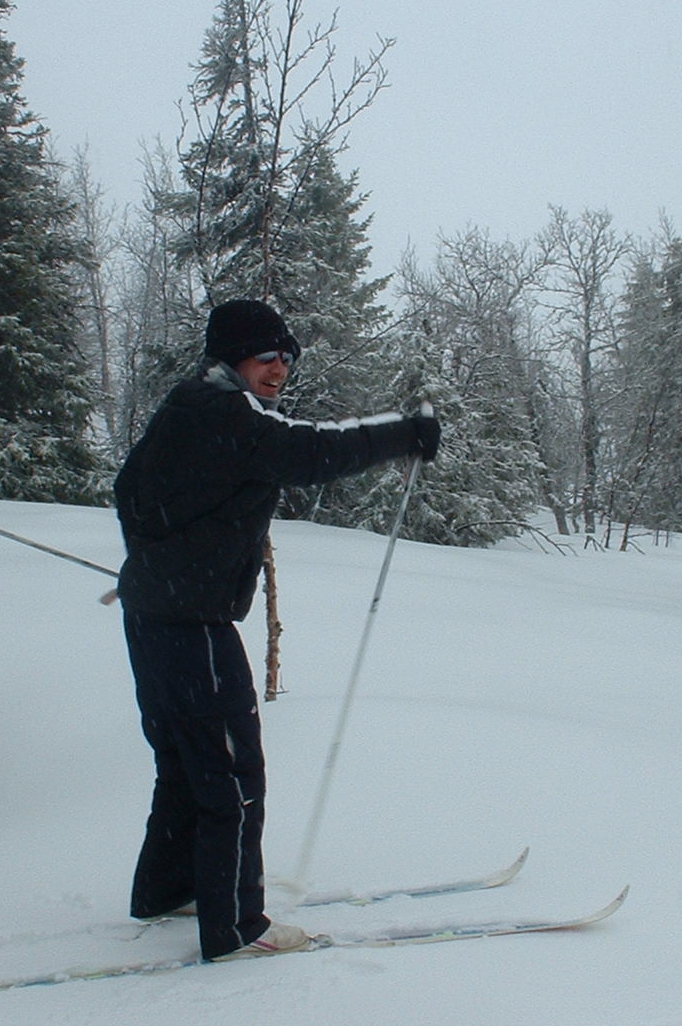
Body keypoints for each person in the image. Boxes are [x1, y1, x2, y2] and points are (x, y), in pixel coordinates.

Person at [113, 299, 441, 961]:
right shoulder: (227, 414)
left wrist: (161, 561)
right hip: (192, 625)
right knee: (232, 774)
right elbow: (311, 454)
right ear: (231, 357)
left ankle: (166, 890)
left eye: (287, 357)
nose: (279, 369)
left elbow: (128, 490)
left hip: (155, 617)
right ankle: (234, 925)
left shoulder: (185, 406)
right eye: (265, 356)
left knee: (183, 766)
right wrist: (405, 434)